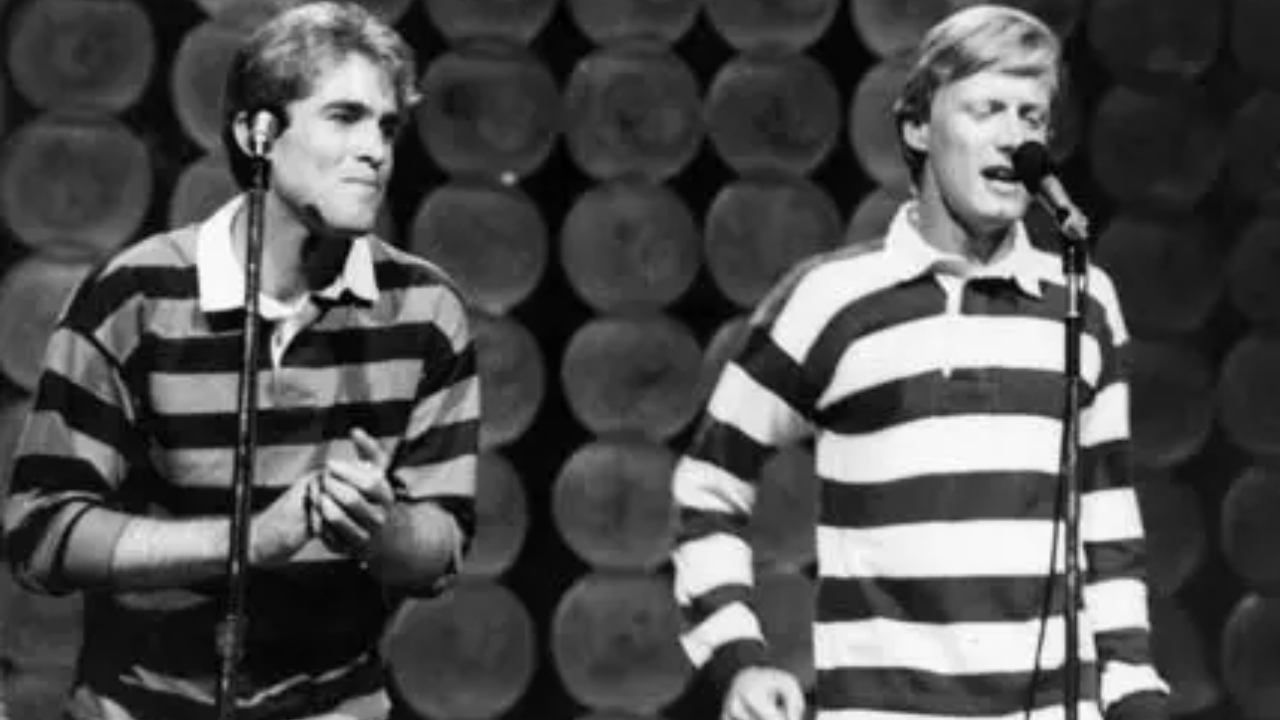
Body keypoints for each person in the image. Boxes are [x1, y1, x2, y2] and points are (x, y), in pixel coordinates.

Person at [670, 6, 1169, 720]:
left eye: (1031, 116)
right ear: (917, 128)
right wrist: (738, 659)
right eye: (986, 109)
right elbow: (708, 484)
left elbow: (1108, 515)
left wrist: (1132, 687)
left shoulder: (1084, 303)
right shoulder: (831, 298)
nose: (1014, 136)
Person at [2, 3, 478, 719]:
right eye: (345, 117)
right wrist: (250, 542)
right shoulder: (133, 296)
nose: (376, 149)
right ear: (258, 134)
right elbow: (41, 536)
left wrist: (383, 530)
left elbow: (441, 551)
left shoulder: (426, 308)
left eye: (386, 126)